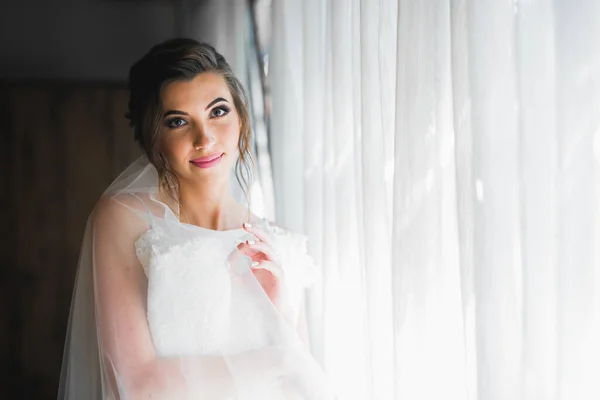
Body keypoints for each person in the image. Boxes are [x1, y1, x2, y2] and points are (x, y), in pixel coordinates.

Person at [58, 38, 333, 399]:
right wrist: (275, 359)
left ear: (241, 118)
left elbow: (303, 385)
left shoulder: (276, 242)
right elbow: (136, 386)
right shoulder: (124, 219)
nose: (204, 138)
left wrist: (279, 310)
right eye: (177, 121)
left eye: (218, 112)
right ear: (154, 139)